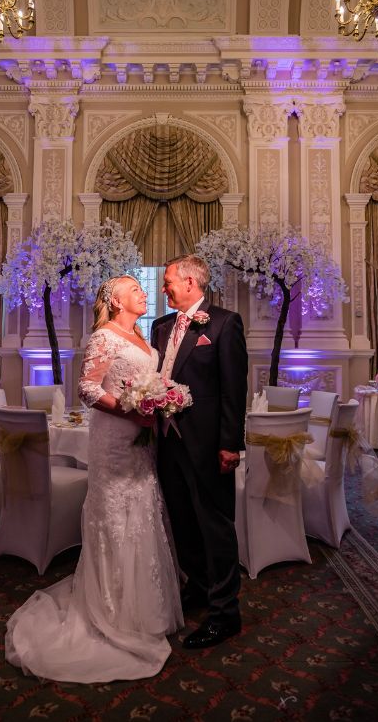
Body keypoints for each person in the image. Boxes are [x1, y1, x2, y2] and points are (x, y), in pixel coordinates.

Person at [5, 275, 183, 682]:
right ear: (116, 301)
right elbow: (86, 388)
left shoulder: (141, 335)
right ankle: (110, 609)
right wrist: (132, 410)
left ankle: (142, 608)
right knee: (116, 515)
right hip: (115, 438)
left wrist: (156, 404)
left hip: (143, 440)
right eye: (135, 289)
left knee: (143, 510)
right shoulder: (103, 336)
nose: (144, 293)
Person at [151, 254, 248, 649]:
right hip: (167, 442)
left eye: (168, 280)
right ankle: (199, 586)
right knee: (182, 521)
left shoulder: (224, 323)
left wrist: (230, 443)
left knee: (215, 526)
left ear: (190, 282)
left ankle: (225, 613)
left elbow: (233, 388)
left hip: (209, 445)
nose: (164, 288)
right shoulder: (159, 327)